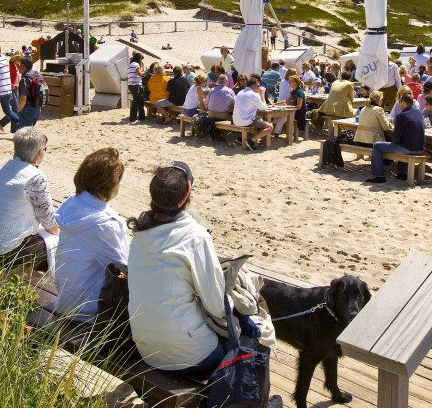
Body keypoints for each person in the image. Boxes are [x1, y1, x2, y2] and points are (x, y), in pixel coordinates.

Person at [127, 161, 227, 373]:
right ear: (186, 195)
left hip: (145, 345)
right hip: (188, 353)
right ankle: (258, 406)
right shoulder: (194, 236)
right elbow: (216, 305)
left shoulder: (139, 232)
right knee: (249, 344)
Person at [54, 148, 130, 321]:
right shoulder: (104, 223)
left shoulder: (71, 205)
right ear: (110, 185)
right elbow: (122, 270)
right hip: (88, 309)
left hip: (65, 299)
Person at [0, 126, 57, 270]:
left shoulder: (1, 170)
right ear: (38, 155)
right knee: (56, 245)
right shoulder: (35, 177)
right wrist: (56, 233)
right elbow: (48, 220)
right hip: (3, 252)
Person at [366, 92, 425, 184]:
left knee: (377, 146)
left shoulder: (401, 116)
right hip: (420, 148)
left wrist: (391, 136)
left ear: (403, 103)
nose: (398, 104)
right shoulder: (418, 113)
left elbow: (396, 138)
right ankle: (402, 172)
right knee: (405, 141)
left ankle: (379, 175)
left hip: (408, 149)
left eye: (399, 102)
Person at [233, 74, 274, 149]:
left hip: (236, 120)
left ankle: (241, 138)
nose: (259, 88)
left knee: (259, 119)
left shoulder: (240, 92)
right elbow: (263, 107)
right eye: (258, 86)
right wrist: (262, 93)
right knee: (270, 127)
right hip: (245, 121)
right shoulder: (253, 95)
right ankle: (251, 141)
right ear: (253, 86)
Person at [16, 56, 47, 129]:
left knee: (26, 134)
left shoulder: (25, 79)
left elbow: (23, 98)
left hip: (27, 109)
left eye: (20, 65)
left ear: (23, 66)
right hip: (37, 108)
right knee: (30, 130)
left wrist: (19, 110)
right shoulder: (37, 74)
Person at [126, 51, 145, 122]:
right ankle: (133, 117)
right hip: (136, 85)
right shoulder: (136, 64)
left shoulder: (129, 65)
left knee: (140, 100)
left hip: (131, 85)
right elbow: (139, 73)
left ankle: (142, 116)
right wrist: (144, 72)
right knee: (136, 101)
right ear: (139, 59)